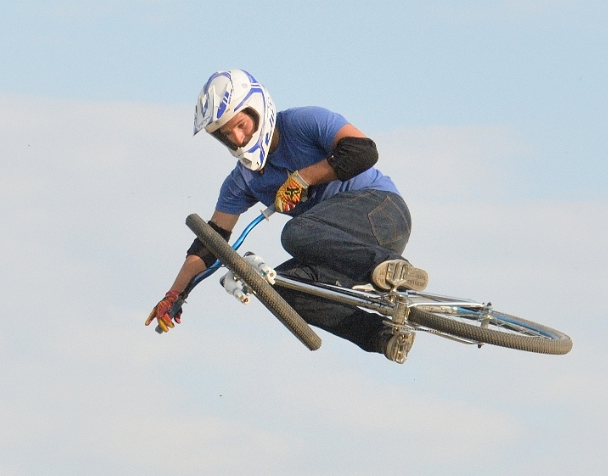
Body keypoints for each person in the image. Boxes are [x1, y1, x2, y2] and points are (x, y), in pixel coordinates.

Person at [146, 69, 428, 364]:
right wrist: (175, 294)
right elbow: (210, 243)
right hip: (345, 250)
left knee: (295, 233)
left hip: (383, 213)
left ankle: (389, 268)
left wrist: (304, 178)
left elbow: (363, 151)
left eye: (241, 125)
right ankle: (384, 336)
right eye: (228, 135)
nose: (239, 139)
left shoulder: (303, 122)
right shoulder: (241, 181)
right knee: (280, 290)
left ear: (257, 109)